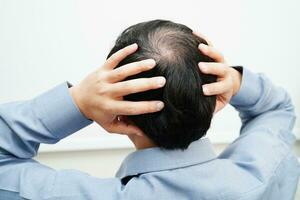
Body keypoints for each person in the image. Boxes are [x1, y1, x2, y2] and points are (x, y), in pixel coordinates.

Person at [0, 20, 299, 200]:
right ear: (214, 100)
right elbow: (277, 110)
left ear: (121, 114)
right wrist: (234, 80)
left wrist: (78, 103)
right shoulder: (261, 171)